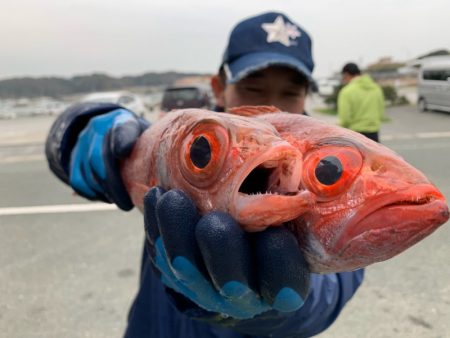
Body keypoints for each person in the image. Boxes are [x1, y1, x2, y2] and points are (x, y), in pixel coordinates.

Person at [45, 12, 364, 338]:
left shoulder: (329, 164)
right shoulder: (191, 141)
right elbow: (134, 143)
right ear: (219, 87)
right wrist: (79, 128)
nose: (271, 106)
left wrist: (272, 307)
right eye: (253, 88)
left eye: (290, 94)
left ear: (307, 95)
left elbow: (340, 280)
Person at [338, 62, 385, 142]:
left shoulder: (346, 91)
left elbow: (345, 119)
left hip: (356, 136)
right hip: (374, 134)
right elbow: (381, 112)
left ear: (346, 74)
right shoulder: (376, 88)